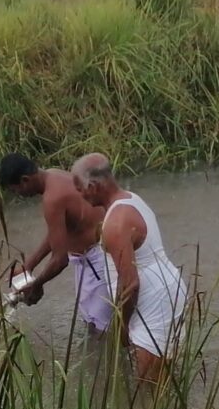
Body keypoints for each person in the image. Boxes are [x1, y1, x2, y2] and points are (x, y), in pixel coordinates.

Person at [70, 153, 188, 383]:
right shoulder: (132, 199)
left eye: (79, 188)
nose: (79, 195)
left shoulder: (115, 223)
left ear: (93, 186)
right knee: (166, 382)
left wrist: (121, 327)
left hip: (153, 302)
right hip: (168, 288)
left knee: (149, 390)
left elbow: (131, 285)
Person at [0, 152, 111, 333]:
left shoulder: (52, 199)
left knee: (99, 330)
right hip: (101, 253)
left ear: (25, 180)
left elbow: (60, 259)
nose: (18, 195)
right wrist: (30, 265)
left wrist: (37, 284)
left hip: (97, 264)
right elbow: (59, 232)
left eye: (15, 190)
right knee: (99, 322)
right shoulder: (54, 175)